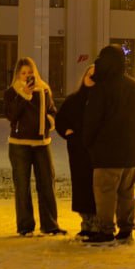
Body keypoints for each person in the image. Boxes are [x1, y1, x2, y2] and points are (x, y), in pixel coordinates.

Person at [82, 45, 135, 245]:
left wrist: (89, 142)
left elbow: (93, 119)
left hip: (107, 151)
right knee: (126, 193)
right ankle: (126, 228)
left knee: (105, 192)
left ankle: (106, 230)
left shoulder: (102, 87)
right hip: (129, 151)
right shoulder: (134, 87)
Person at [3, 57, 65, 237]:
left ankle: (50, 225)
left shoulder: (44, 89)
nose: (27, 76)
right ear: (18, 74)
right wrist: (24, 95)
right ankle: (25, 226)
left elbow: (52, 110)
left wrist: (49, 122)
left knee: (47, 184)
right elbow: (11, 115)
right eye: (23, 73)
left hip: (41, 144)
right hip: (19, 145)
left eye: (30, 73)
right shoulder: (11, 92)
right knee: (22, 186)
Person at [56, 63, 98, 238]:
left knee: (95, 186)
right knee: (81, 186)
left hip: (95, 151)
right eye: (89, 73)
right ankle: (85, 222)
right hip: (77, 151)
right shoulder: (73, 99)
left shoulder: (100, 99)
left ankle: (96, 223)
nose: (91, 77)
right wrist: (68, 133)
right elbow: (60, 119)